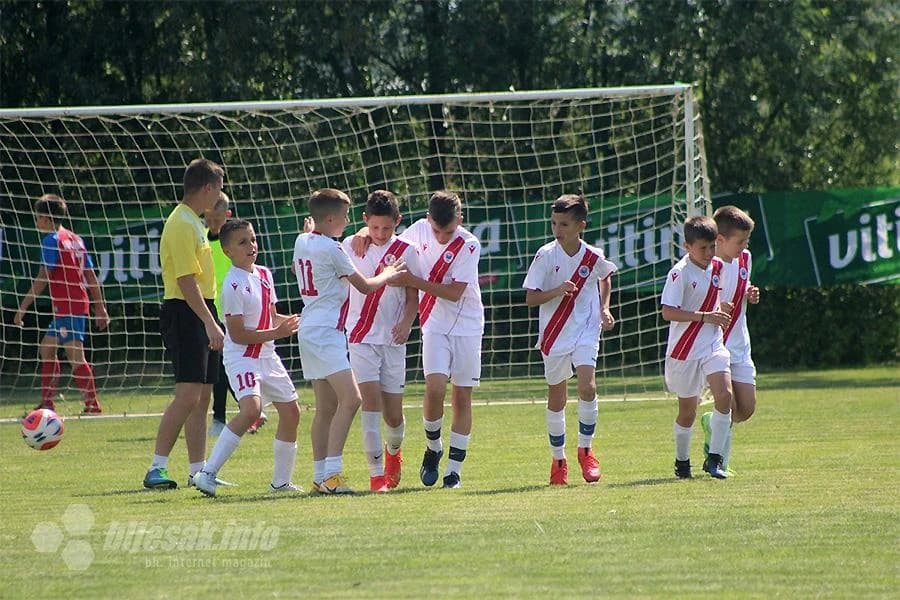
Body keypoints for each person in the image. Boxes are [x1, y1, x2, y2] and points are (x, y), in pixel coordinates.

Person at [353, 190, 484, 489]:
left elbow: (454, 293)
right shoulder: (419, 230)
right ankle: (433, 447)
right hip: (434, 324)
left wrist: (413, 281)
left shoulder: (469, 244)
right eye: (436, 230)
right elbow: (386, 235)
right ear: (427, 221)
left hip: (467, 326)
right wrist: (363, 232)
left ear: (460, 221)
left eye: (447, 231)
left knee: (462, 396)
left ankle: (454, 470)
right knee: (435, 388)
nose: (440, 237)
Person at [293, 188, 406, 495]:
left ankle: (320, 477)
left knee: (326, 406)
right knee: (353, 400)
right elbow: (366, 286)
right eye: (344, 217)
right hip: (327, 333)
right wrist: (388, 272)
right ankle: (332, 474)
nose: (348, 221)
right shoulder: (333, 250)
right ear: (330, 219)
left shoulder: (303, 240)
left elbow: (307, 250)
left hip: (310, 329)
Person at [193, 219, 302, 496]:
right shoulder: (231, 284)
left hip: (267, 354)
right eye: (243, 242)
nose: (251, 246)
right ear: (227, 251)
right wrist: (277, 331)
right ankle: (206, 473)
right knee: (251, 410)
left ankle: (280, 483)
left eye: (253, 239)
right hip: (242, 356)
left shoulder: (265, 273)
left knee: (292, 412)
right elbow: (239, 334)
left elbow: (272, 316)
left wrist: (299, 322)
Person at [522, 194, 617, 485]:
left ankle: (586, 451)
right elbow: (530, 298)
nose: (557, 229)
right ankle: (558, 460)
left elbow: (605, 277)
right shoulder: (545, 255)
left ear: (581, 226)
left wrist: (603, 308)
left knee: (588, 387)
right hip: (554, 334)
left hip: (586, 330)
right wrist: (557, 291)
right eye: (554, 223)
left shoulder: (593, 256)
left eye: (563, 224)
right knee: (557, 397)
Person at [143, 158, 226, 490]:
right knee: (187, 395)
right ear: (207, 189)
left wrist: (210, 318)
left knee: (203, 395)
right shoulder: (181, 222)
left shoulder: (195, 222)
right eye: (218, 188)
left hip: (202, 310)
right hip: (186, 311)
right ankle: (156, 468)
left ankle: (198, 470)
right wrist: (209, 322)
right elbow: (186, 281)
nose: (220, 195)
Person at [341, 190, 420, 492]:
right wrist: (360, 234)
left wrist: (406, 322)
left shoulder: (407, 250)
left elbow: (413, 296)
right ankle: (376, 477)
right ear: (365, 222)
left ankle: (394, 454)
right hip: (360, 337)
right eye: (373, 228)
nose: (379, 234)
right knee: (370, 404)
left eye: (386, 228)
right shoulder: (351, 245)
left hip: (393, 339)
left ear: (397, 222)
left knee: (394, 415)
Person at [14, 194, 109, 414]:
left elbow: (43, 277)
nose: (36, 221)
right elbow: (90, 276)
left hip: (69, 307)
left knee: (75, 356)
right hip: (73, 305)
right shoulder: (75, 239)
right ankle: (47, 402)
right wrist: (100, 307)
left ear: (47, 218)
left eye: (38, 217)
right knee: (47, 347)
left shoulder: (51, 241)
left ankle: (92, 404)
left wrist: (23, 306)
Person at [661, 215, 733, 480]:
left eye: (712, 246)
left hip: (712, 343)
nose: (709, 253)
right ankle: (682, 462)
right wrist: (705, 315)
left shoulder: (718, 267)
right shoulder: (679, 274)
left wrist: (720, 310)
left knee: (725, 395)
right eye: (703, 248)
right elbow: (668, 312)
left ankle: (715, 460)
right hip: (684, 350)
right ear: (687, 247)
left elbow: (714, 301)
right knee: (687, 412)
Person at [700, 205, 760, 472]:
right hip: (714, 344)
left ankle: (711, 423)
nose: (744, 246)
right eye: (740, 241)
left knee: (746, 409)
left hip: (740, 343)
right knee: (728, 402)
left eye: (746, 241)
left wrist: (749, 292)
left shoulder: (745, 258)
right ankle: (718, 461)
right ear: (720, 240)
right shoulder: (707, 265)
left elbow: (740, 283)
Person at [204, 193, 237, 437]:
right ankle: (219, 417)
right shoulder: (201, 240)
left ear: (227, 215)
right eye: (209, 217)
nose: (213, 223)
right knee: (218, 366)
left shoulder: (236, 242)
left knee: (232, 363)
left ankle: (252, 406)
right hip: (211, 311)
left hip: (235, 310)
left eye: (217, 218)